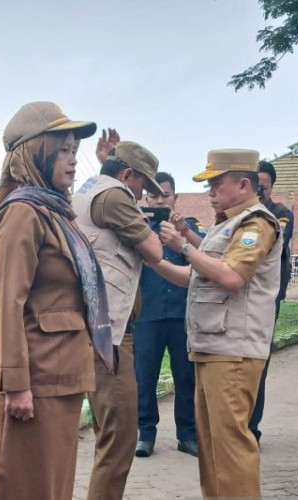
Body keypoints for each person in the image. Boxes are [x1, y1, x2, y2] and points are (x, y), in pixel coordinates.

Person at [0, 101, 112, 500]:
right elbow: (7, 303)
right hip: (32, 382)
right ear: (37, 152)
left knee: (49, 487)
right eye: (64, 149)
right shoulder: (23, 213)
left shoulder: (55, 211)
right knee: (18, 487)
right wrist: (16, 385)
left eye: (75, 150)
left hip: (61, 375)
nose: (73, 160)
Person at [156, 149, 282, 498]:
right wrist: (155, 258)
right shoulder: (226, 223)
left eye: (216, 183)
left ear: (243, 184)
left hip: (234, 350)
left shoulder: (256, 224)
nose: (210, 191)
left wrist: (184, 247)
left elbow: (230, 277)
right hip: (212, 346)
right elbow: (192, 276)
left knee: (231, 449)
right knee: (212, 448)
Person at [73, 140, 163, 500]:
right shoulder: (115, 196)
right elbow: (154, 252)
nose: (144, 196)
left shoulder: (90, 188)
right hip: (108, 332)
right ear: (128, 175)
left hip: (92, 323)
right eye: (143, 185)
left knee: (108, 431)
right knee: (120, 436)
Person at [133, 171, 204, 459]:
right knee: (144, 378)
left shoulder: (188, 226)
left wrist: (183, 233)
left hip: (180, 315)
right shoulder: (137, 228)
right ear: (145, 198)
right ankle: (145, 434)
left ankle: (186, 435)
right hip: (147, 314)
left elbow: (208, 253)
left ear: (175, 197)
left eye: (165, 194)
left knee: (185, 378)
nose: (159, 200)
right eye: (154, 195)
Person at [249, 160, 295, 444]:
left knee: (258, 364)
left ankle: (252, 428)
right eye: (255, 186)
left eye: (263, 187)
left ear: (271, 187)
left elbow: (267, 241)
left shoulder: (281, 215)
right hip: (239, 297)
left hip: (267, 300)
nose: (259, 192)